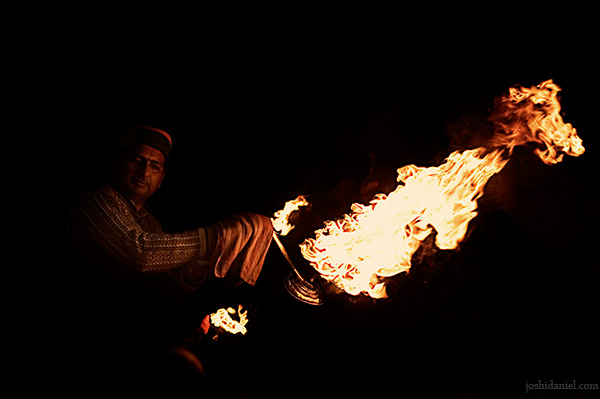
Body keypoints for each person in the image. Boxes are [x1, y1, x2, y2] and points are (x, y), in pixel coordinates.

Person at [63, 125, 273, 387]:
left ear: (162, 178)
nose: (143, 173)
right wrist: (216, 237)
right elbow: (139, 253)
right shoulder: (95, 202)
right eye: (136, 160)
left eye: (154, 166)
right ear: (115, 162)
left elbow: (158, 292)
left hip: (124, 344)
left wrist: (196, 273)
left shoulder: (151, 223)